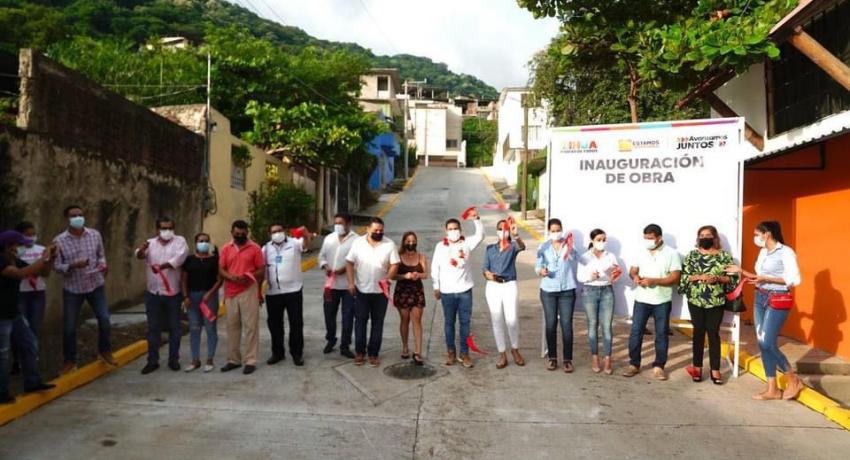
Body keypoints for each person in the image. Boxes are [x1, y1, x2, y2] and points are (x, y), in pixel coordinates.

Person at [727, 221, 803, 400]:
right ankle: (772, 389)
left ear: (767, 234)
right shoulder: (763, 252)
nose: (756, 238)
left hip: (777, 298)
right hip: (760, 297)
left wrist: (767, 278)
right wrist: (741, 271)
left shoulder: (785, 252)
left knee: (768, 342)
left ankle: (792, 378)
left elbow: (793, 279)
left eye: (757, 234)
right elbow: (759, 277)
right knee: (762, 343)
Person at [53, 205, 116, 374]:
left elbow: (101, 255)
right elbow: (57, 267)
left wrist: (103, 265)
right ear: (66, 218)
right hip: (73, 289)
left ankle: (104, 351)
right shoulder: (59, 241)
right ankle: (69, 361)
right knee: (69, 327)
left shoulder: (94, 235)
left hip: (95, 284)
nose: (78, 218)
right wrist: (73, 265)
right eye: (74, 215)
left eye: (80, 214)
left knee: (104, 320)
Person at [1, 230, 57, 403]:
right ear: (8, 246)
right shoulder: (1, 260)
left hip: (13, 312)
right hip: (1, 315)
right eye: (18, 245)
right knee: (3, 354)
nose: (21, 248)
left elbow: (41, 273)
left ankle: (32, 382)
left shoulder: (14, 259)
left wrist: (50, 260)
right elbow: (20, 274)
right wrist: (44, 257)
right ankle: (2, 392)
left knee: (29, 342)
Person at [678, 225, 736, 385]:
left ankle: (715, 370)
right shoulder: (692, 255)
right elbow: (684, 277)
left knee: (713, 333)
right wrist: (699, 277)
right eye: (702, 235)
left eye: (708, 235)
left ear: (714, 237)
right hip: (695, 300)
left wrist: (717, 278)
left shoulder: (724, 256)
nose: (705, 237)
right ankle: (697, 367)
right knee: (698, 332)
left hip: (716, 300)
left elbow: (732, 279)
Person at [623, 224, 681, 381]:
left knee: (661, 334)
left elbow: (675, 277)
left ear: (659, 238)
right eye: (645, 238)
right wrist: (634, 276)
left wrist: (655, 281)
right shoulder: (640, 251)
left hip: (662, 300)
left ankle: (659, 367)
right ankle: (634, 364)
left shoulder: (672, 253)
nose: (647, 241)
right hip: (641, 299)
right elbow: (633, 270)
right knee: (636, 332)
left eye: (650, 238)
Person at [135, 217, 189, 374]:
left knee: (174, 328)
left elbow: (179, 258)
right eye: (164, 228)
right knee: (153, 328)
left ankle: (174, 359)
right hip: (154, 293)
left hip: (172, 293)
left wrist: (162, 266)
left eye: (170, 228)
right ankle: (152, 361)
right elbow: (139, 255)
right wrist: (142, 251)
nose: (167, 231)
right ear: (157, 229)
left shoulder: (180, 242)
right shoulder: (150, 243)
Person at [430, 210, 484, 368]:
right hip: (447, 292)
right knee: (449, 323)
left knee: (465, 323)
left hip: (465, 290)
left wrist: (477, 220)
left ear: (460, 230)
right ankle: (451, 352)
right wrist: (436, 286)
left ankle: (465, 353)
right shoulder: (440, 247)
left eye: (456, 228)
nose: (453, 231)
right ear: (446, 231)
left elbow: (480, 236)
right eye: (450, 229)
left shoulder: (466, 244)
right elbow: (435, 267)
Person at [346, 217, 399, 368]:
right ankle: (360, 352)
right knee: (360, 322)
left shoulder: (389, 244)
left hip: (380, 292)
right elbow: (349, 262)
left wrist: (388, 278)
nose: (378, 232)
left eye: (381, 230)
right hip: (361, 290)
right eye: (375, 230)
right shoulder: (357, 243)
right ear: (368, 229)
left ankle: (373, 353)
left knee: (378, 323)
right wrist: (350, 282)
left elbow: (395, 264)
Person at [218, 220, 265, 375]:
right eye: (237, 234)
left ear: (247, 232)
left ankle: (250, 360)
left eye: (242, 234)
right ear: (232, 232)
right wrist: (230, 277)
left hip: (248, 289)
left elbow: (261, 270)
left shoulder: (255, 248)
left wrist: (248, 276)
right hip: (230, 291)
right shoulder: (226, 248)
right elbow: (221, 269)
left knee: (251, 327)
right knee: (232, 327)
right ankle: (233, 360)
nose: (240, 236)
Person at [263, 223, 313, 367]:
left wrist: (305, 233)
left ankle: (297, 353)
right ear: (269, 234)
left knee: (296, 323)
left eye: (280, 230)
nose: (277, 233)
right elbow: (262, 268)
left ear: (284, 231)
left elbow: (307, 245)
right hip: (273, 292)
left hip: (293, 290)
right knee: (274, 324)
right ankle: (278, 352)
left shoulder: (295, 243)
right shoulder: (265, 249)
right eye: (274, 231)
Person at [535, 218, 578, 373]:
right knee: (551, 323)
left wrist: (571, 248)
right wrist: (541, 271)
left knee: (566, 324)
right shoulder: (543, 247)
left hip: (567, 290)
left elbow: (575, 259)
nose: (556, 233)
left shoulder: (568, 246)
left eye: (558, 230)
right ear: (548, 231)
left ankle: (567, 359)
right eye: (553, 230)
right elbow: (537, 266)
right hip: (548, 291)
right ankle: (552, 357)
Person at [577, 228, 621, 375]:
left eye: (604, 240)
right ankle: (595, 357)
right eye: (599, 240)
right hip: (590, 291)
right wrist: (591, 276)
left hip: (607, 291)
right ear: (592, 241)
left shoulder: (611, 256)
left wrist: (615, 275)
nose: (602, 242)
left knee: (607, 326)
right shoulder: (584, 257)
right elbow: (580, 277)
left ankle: (608, 359)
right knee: (592, 324)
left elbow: (615, 274)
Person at [484, 218, 526, 369]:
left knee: (512, 319)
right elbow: (485, 269)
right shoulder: (490, 249)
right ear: (496, 231)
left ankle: (515, 349)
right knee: (497, 319)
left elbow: (522, 246)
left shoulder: (512, 247)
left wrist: (516, 234)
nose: (503, 231)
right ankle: (502, 353)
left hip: (509, 284)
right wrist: (489, 275)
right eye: (500, 229)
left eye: (505, 229)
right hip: (493, 286)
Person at [180, 233, 222, 373]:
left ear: (209, 243)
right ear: (195, 243)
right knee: (194, 328)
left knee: (210, 328)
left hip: (209, 298)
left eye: (206, 241)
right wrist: (185, 296)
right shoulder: (189, 260)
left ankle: (210, 359)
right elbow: (184, 280)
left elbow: (219, 279)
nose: (203, 243)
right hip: (192, 298)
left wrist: (210, 293)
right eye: (200, 241)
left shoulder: (215, 259)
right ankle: (195, 360)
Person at [319, 213, 358, 358]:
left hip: (348, 286)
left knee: (347, 317)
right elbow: (321, 256)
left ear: (348, 224)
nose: (337, 226)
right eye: (335, 223)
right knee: (329, 315)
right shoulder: (329, 238)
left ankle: (345, 345)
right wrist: (325, 266)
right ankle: (331, 339)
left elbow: (358, 261)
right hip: (331, 286)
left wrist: (345, 269)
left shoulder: (356, 240)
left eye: (340, 223)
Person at [12, 221, 49, 374]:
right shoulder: (14, 252)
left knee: (34, 327)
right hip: (20, 293)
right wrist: (32, 269)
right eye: (27, 235)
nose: (31, 237)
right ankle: (17, 360)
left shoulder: (42, 250)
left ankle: (31, 359)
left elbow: (46, 272)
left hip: (38, 292)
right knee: (20, 329)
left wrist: (44, 264)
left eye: (33, 234)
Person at [393, 231, 428, 365]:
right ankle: (405, 346)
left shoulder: (421, 257)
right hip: (402, 291)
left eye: (413, 240)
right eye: (408, 241)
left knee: (417, 320)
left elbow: (426, 274)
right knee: (405, 319)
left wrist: (418, 275)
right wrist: (404, 276)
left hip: (417, 291)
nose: (411, 243)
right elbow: (393, 275)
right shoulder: (398, 257)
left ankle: (418, 352)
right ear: (404, 242)